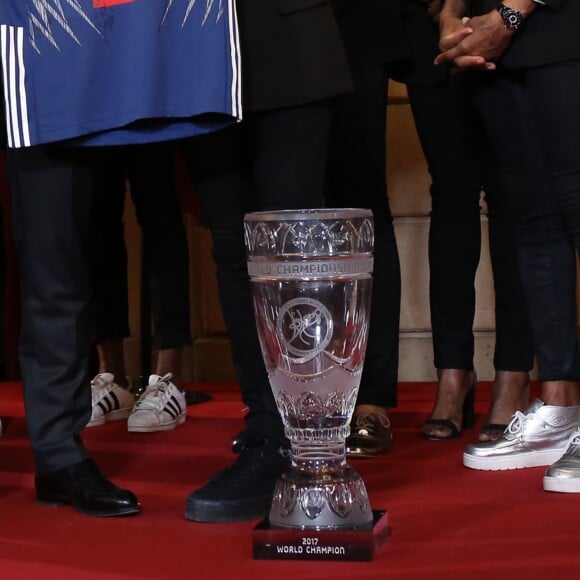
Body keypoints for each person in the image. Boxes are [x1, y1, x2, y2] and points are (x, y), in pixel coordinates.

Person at [0, 0, 241, 516]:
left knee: (71, 257)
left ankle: (60, 457)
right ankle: (58, 455)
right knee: (55, 263)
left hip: (114, 42)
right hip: (39, 47)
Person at [180, 0, 352, 522]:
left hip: (289, 34)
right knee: (233, 249)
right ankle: (267, 432)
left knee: (292, 253)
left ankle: (306, 439)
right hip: (195, 49)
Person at [434, 0, 580, 492]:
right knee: (535, 221)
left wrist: (512, 12)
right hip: (494, 48)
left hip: (560, 25)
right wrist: (453, 17)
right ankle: (561, 406)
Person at [403, 0, 534, 442]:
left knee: (512, 198)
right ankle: (453, 376)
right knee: (451, 196)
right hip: (430, 25)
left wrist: (503, 16)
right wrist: (446, 16)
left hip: (515, 20)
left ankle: (513, 376)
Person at [326, 0, 408, 457]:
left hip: (355, 29)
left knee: (361, 211)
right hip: (264, 38)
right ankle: (286, 403)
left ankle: (372, 401)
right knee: (281, 219)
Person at [88, 142, 190, 433]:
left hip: (149, 102)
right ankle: (111, 378)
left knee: (159, 209)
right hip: (89, 103)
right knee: (97, 217)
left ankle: (169, 379)